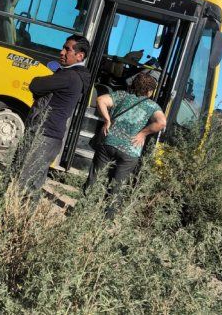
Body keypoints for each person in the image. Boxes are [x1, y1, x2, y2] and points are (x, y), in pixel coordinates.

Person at [16, 35, 91, 200]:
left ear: (80, 56)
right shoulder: (74, 76)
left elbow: (35, 84)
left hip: (44, 133)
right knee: (34, 181)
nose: (61, 52)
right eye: (63, 47)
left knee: (23, 179)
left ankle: (15, 212)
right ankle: (24, 213)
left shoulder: (69, 76)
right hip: (51, 135)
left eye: (67, 49)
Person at [82, 72, 166, 219]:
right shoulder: (152, 106)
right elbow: (161, 122)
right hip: (130, 150)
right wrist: (143, 134)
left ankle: (82, 212)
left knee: (95, 177)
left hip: (108, 142)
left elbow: (101, 100)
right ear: (150, 91)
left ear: (133, 85)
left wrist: (107, 120)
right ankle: (106, 221)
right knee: (117, 187)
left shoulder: (121, 95)